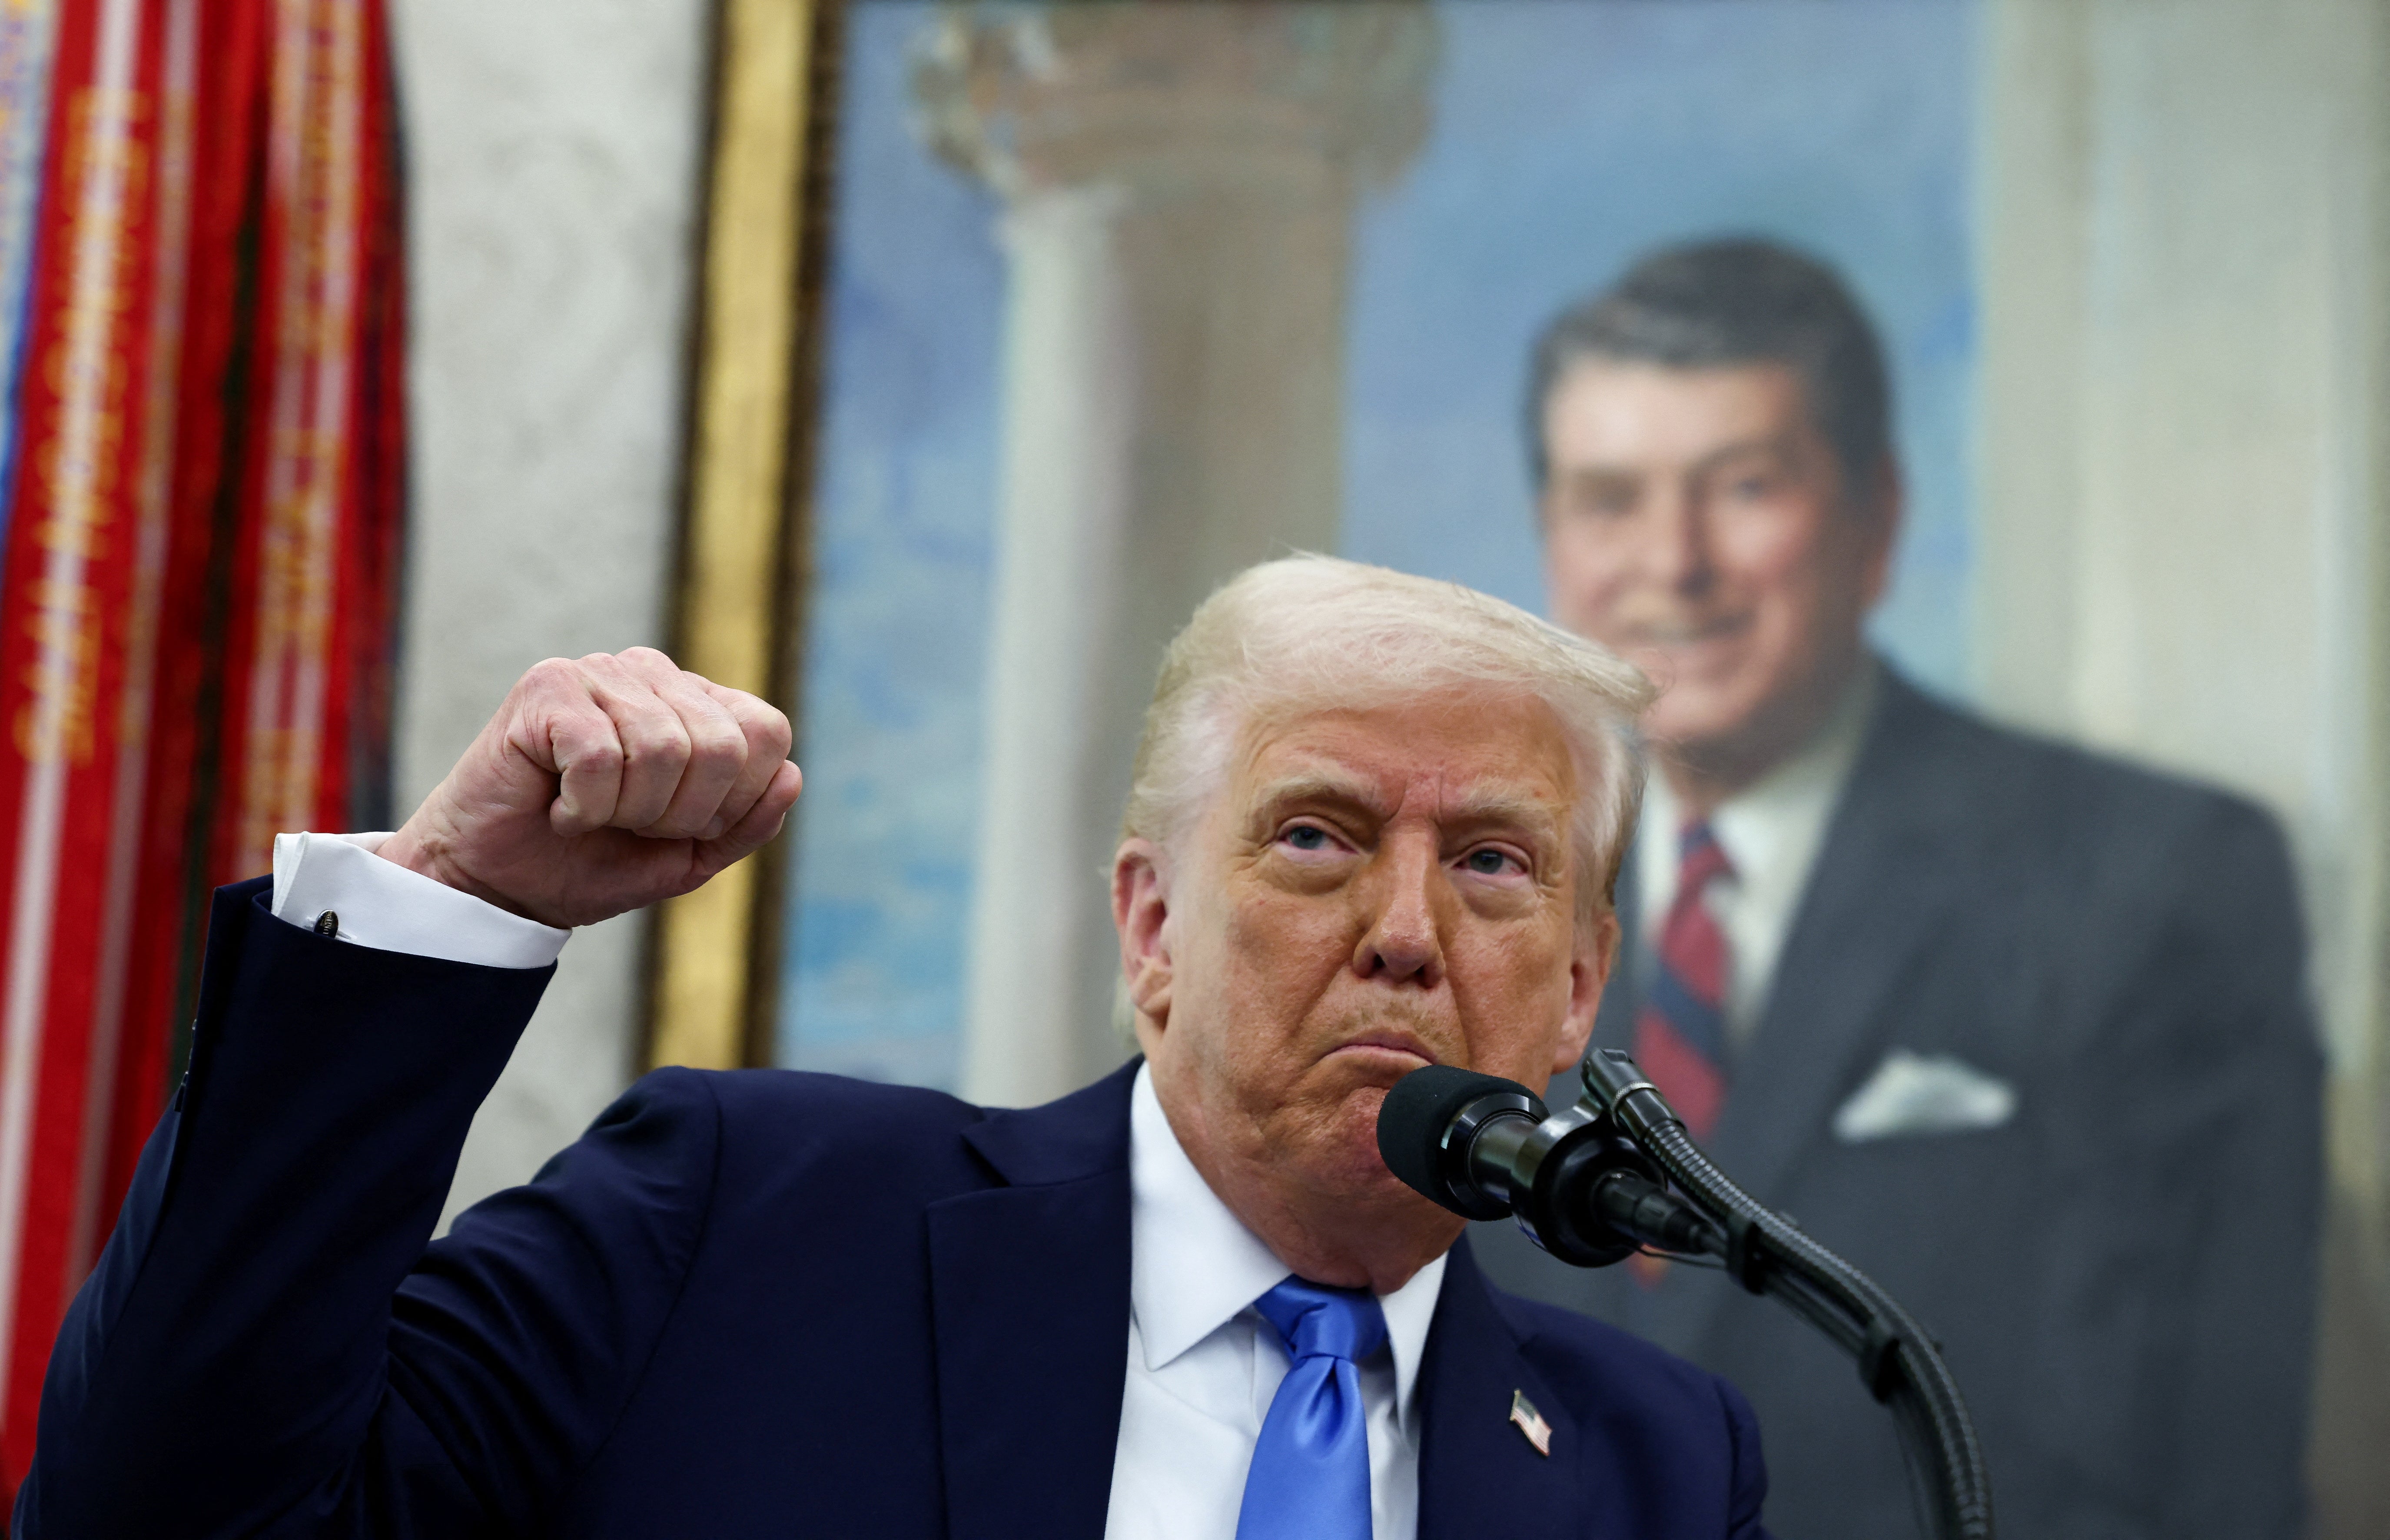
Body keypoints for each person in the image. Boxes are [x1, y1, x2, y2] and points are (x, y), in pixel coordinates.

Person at [17, 560, 1773, 1538]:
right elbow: (156, 1525)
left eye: (1489, 863)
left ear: (1575, 987)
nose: (1404, 928)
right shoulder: (742, 1221)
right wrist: (451, 903)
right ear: (1152, 928)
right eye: (1313, 836)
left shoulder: (1662, 1469)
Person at [1477, 237, 2323, 1537]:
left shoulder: (2150, 884)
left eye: (1742, 486)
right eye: (1608, 500)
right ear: (1548, 542)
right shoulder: (1456, 906)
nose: (1672, 562)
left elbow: (2198, 1473)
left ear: (1874, 518)